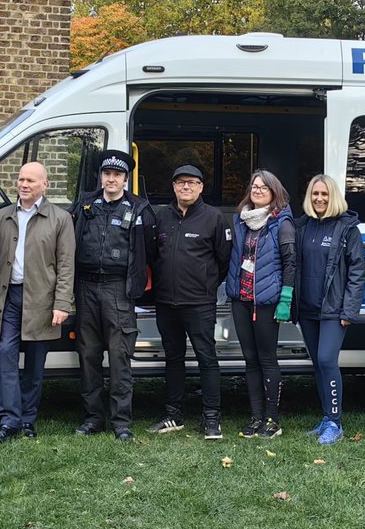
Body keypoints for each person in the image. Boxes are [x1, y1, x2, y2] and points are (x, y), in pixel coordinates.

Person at [0, 162, 76, 443]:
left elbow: (66, 265)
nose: (24, 185)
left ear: (45, 185)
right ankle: (9, 420)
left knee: (36, 364)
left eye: (31, 181)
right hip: (9, 297)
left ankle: (27, 419)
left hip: (42, 300)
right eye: (21, 179)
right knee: (6, 356)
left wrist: (62, 303)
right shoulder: (2, 216)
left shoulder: (60, 218)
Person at [70, 150, 156, 441]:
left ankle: (122, 423)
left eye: (117, 175)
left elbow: (150, 251)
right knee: (89, 355)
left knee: (120, 359)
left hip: (118, 290)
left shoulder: (140, 209)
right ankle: (93, 418)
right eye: (107, 174)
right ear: (101, 176)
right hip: (86, 288)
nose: (111, 179)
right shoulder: (84, 205)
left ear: (125, 178)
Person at [148, 165, 232, 440]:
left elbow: (223, 261)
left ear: (201, 187)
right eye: (181, 183)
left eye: (192, 183)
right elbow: (153, 256)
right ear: (173, 187)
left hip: (199, 302)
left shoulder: (214, 218)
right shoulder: (162, 218)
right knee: (173, 358)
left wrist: (206, 284)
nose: (186, 187)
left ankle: (211, 419)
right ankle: (173, 415)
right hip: (166, 302)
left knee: (206, 358)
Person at [293, 174, 365, 445]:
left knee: (326, 360)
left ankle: (335, 422)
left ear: (333, 196)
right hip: (308, 310)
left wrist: (349, 311)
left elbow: (357, 272)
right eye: (315, 194)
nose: (319, 199)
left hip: (334, 310)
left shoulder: (348, 228)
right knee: (318, 365)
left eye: (324, 194)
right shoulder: (302, 226)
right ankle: (325, 418)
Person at [225, 169, 296, 439]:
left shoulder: (282, 223)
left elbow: (290, 263)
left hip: (266, 302)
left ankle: (272, 420)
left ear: (273, 192)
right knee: (250, 361)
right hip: (241, 300)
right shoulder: (241, 220)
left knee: (267, 360)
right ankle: (255, 418)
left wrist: (285, 300)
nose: (257, 191)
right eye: (254, 186)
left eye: (263, 187)